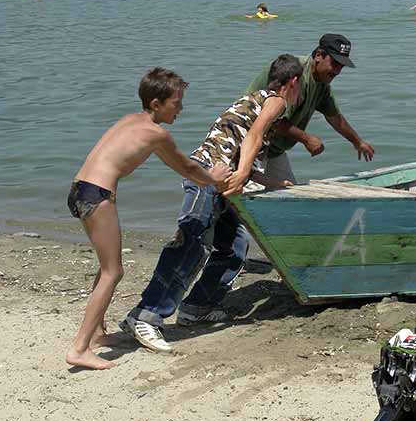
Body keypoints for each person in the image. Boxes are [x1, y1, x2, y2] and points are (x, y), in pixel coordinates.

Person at [121, 55, 304, 353]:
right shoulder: (277, 101)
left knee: (235, 247)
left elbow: (239, 146)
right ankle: (145, 316)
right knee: (191, 246)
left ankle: (197, 307)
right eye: (301, 88)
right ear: (292, 82)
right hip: (208, 176)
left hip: (220, 178)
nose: (300, 95)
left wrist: (270, 183)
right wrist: (244, 173)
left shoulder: (255, 99)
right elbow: (254, 137)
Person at [64, 68, 230, 370]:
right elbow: (187, 169)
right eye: (176, 103)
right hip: (98, 196)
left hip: (80, 190)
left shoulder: (131, 120)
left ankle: (98, 334)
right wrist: (214, 178)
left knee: (105, 269)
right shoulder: (157, 134)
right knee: (113, 273)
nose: (180, 108)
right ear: (156, 103)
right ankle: (79, 348)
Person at [244, 34, 374, 186]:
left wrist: (357, 142)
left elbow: (334, 117)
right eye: (335, 63)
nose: (338, 71)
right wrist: (306, 139)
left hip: (274, 149)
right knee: (245, 197)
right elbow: (274, 121)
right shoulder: (295, 74)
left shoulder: (321, 82)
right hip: (251, 141)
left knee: (290, 194)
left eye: (342, 66)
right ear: (319, 55)